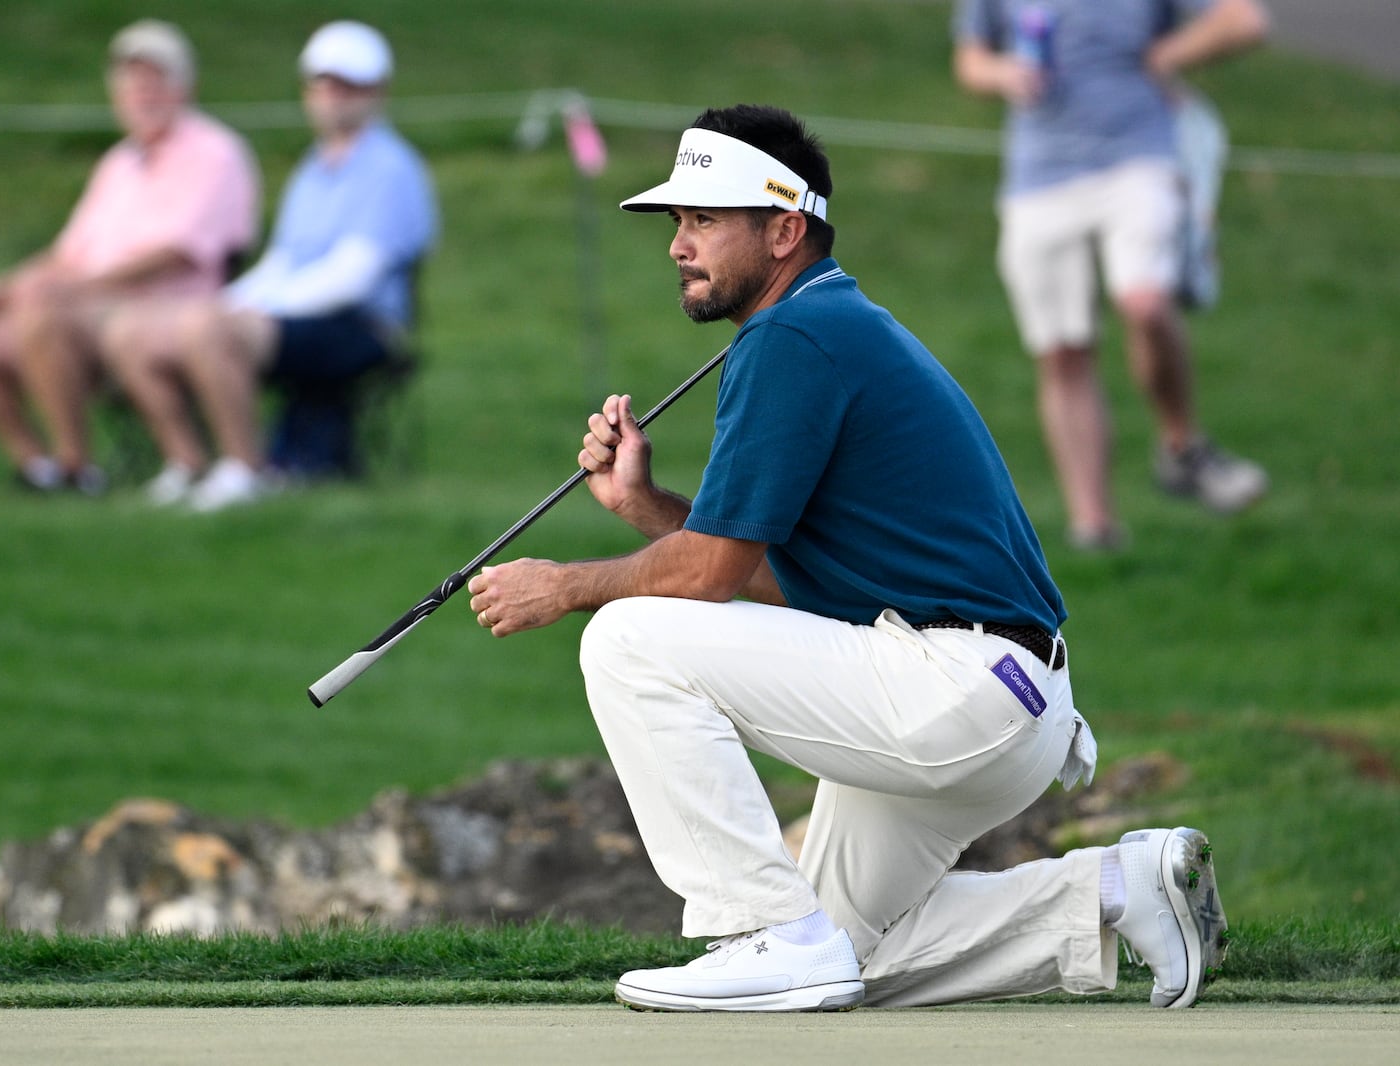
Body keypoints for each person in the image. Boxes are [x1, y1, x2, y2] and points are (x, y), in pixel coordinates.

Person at [464, 105, 1227, 1012]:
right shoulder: (825, 325)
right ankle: (1113, 892)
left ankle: (758, 930)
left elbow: (707, 576)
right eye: (678, 222)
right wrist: (644, 507)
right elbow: (776, 574)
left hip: (958, 685)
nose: (678, 245)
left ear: (785, 229)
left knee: (627, 639)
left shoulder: (793, 340)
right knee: (845, 956)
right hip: (1002, 697)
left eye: (705, 220)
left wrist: (566, 586)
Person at [952, 0, 1271, 550]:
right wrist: (1004, 73)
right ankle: (1094, 528)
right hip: (1040, 176)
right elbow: (970, 59)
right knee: (1062, 351)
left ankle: (1182, 446)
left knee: (1144, 300)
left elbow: (1244, 20)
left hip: (1139, 156)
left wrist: (1168, 53)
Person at [104, 20, 437, 512]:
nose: (333, 97)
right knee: (134, 333)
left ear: (377, 93)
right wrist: (226, 304)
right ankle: (187, 464)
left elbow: (352, 278)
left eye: (349, 86)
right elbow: (283, 261)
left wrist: (244, 315)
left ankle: (244, 470)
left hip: (361, 328)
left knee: (211, 331)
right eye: (324, 84)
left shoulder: (392, 168)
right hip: (300, 320)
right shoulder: (312, 169)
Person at [0, 20, 260, 493]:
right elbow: (67, 254)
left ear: (186, 88)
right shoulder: (119, 164)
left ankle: (76, 466)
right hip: (84, 309)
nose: (143, 94)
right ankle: (36, 466)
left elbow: (178, 252)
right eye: (132, 82)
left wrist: (72, 289)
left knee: (43, 305)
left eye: (156, 81)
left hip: (163, 310)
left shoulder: (216, 153)